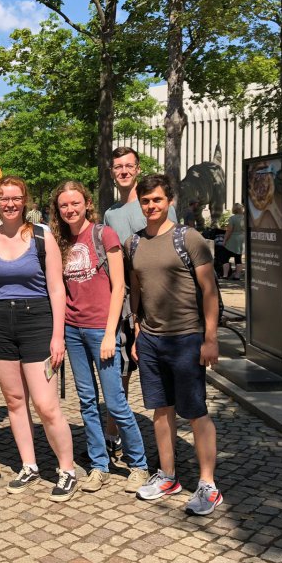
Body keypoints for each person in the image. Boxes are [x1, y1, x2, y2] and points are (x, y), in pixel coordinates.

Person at [0, 176, 78, 501]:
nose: (10, 204)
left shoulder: (42, 236)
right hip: (0, 322)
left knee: (45, 404)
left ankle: (67, 469)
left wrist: (58, 336)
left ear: (25, 201)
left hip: (38, 321)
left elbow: (58, 289)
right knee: (15, 402)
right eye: (4, 198)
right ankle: (28, 464)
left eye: (16, 198)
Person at [127, 174, 223, 516]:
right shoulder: (134, 243)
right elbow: (137, 290)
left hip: (186, 338)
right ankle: (167, 476)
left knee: (196, 412)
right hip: (151, 340)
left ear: (169, 201)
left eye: (157, 200)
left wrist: (210, 338)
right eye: (146, 201)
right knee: (161, 410)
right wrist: (138, 331)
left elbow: (210, 291)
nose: (151, 206)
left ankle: (208, 484)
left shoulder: (189, 238)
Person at [51, 181, 149, 494]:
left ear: (86, 203)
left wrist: (110, 334)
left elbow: (119, 286)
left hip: (101, 330)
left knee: (116, 403)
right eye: (64, 205)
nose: (70, 209)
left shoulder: (103, 234)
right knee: (87, 402)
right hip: (73, 330)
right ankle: (98, 465)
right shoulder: (61, 240)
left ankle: (139, 464)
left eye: (75, 203)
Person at [102, 147, 177, 457]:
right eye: (118, 166)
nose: (123, 171)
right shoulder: (110, 213)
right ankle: (111, 432)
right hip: (123, 299)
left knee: (157, 367)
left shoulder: (157, 204)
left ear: (137, 168)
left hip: (157, 298)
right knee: (117, 367)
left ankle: (167, 442)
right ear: (112, 172)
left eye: (128, 165)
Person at [223, 203, 246, 280]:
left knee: (225, 258)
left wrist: (225, 240)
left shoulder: (232, 218)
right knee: (238, 258)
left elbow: (229, 231)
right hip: (242, 239)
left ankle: (225, 275)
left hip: (232, 239)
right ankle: (237, 276)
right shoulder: (245, 218)